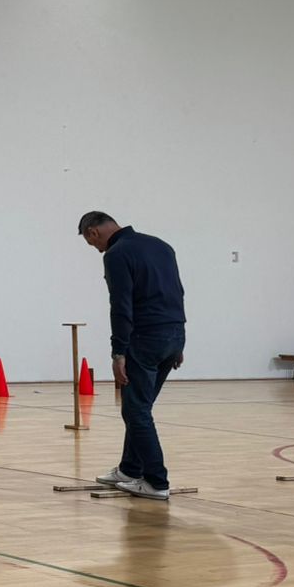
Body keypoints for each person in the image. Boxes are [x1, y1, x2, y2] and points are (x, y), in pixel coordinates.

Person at [78, 210, 185, 501]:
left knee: (135, 411)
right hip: (173, 333)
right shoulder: (162, 246)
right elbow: (178, 292)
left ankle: (156, 481)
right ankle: (129, 469)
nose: (97, 249)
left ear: (93, 232)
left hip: (145, 338)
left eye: (92, 244)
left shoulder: (116, 254)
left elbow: (121, 305)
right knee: (141, 408)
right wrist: (178, 340)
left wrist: (118, 351)